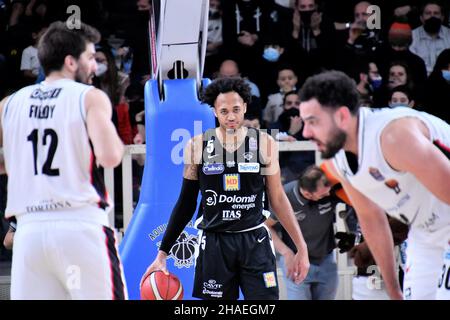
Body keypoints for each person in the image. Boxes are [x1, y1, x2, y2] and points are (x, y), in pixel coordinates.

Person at [141, 77, 310, 300]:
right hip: (214, 243)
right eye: (224, 111)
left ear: (246, 108)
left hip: (254, 241)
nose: (231, 116)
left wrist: (301, 247)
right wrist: (163, 253)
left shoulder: (264, 143)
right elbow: (186, 202)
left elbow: (278, 198)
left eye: (236, 109)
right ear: (214, 112)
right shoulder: (198, 145)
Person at [0, 21, 127, 300]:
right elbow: (111, 156)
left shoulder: (9, 103)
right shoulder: (89, 97)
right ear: (71, 62)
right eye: (91, 58)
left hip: (29, 233)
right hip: (78, 226)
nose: (95, 66)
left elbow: (4, 164)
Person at [298, 70, 450, 300]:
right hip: (425, 230)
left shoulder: (394, 136)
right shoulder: (338, 157)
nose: (305, 132)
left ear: (341, 117)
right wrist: (393, 291)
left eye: (313, 122)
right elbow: (371, 219)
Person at [266, 165, 340, 300]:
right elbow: (266, 226)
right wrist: (285, 252)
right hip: (296, 261)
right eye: (323, 194)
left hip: (326, 259)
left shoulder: (331, 191)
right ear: (307, 194)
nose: (328, 195)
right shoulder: (285, 196)